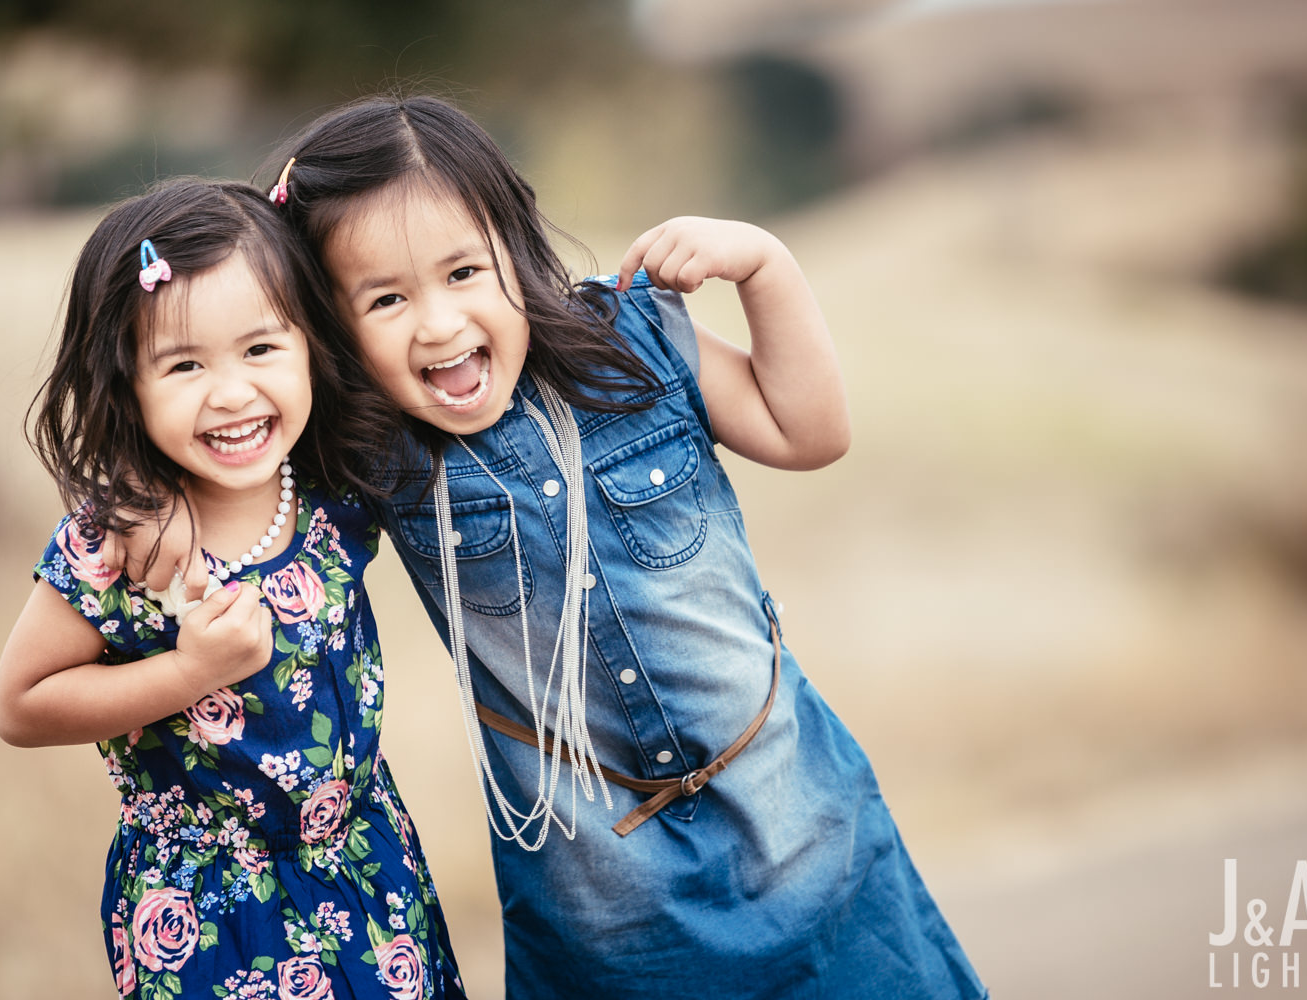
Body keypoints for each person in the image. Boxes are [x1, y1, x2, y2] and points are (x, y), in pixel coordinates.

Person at [132, 95, 986, 998]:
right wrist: (153, 500)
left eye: (464, 273)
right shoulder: (374, 452)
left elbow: (810, 432)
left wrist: (765, 267)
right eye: (386, 299)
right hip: (603, 897)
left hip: (801, 824)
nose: (438, 323)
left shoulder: (633, 342)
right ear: (334, 330)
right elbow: (238, 450)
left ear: (517, 246)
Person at [0, 177, 467, 1000]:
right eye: (182, 365)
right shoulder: (116, 543)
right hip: (213, 910)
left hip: (367, 868)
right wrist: (188, 673)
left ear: (312, 347)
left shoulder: (336, 490)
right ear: (126, 387)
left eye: (261, 349)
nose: (233, 392)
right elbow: (21, 705)